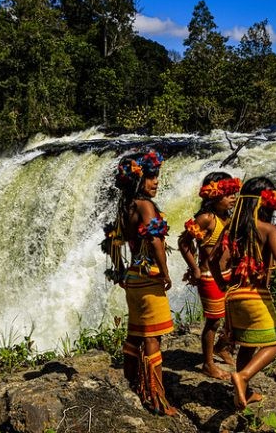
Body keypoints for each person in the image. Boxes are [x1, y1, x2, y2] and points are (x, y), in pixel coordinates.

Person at [209, 176, 276, 410]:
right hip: (254, 296)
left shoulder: (231, 228)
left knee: (247, 344)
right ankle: (242, 376)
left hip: (233, 297)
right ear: (265, 202)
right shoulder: (268, 229)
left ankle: (244, 391)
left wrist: (222, 283)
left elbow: (212, 260)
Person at [101, 150, 178, 416]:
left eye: (156, 176)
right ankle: (156, 396)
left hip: (133, 276)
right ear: (137, 180)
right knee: (153, 338)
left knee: (135, 334)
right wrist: (165, 272)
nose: (156, 181)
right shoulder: (145, 205)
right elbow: (156, 239)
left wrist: (120, 271)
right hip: (148, 277)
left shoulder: (126, 207)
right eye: (150, 177)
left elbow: (113, 242)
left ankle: (131, 381)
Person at [178, 172, 241, 380]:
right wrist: (194, 269)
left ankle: (221, 347)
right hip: (209, 276)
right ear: (213, 196)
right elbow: (183, 243)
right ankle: (208, 364)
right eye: (227, 194)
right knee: (213, 321)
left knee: (234, 314)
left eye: (234, 193)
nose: (233, 197)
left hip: (228, 274)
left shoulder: (229, 217)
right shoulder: (206, 219)